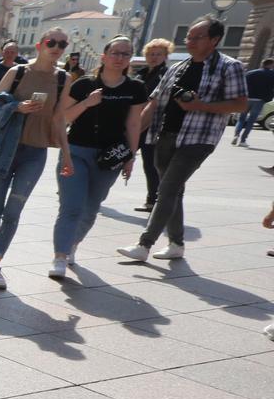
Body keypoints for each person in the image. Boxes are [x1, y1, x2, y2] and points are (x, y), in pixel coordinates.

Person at [116, 17, 247, 263]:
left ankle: (144, 245)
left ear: (214, 40)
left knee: (166, 189)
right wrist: (131, 142)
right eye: (188, 36)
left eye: (197, 37)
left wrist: (200, 105)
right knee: (174, 191)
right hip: (165, 135)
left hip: (198, 138)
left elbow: (240, 104)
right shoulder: (177, 68)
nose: (190, 41)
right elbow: (153, 105)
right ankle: (176, 243)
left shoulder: (229, 67)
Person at [0, 28, 74, 289]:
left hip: (36, 151)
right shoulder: (17, 72)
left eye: (62, 44)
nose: (56, 47)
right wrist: (16, 107)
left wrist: (66, 154)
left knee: (14, 211)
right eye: (51, 42)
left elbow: (59, 118)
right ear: (40, 44)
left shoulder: (64, 79)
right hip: (3, 149)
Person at [49, 36, 146, 278]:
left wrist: (131, 157)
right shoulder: (84, 84)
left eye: (125, 54)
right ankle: (60, 256)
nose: (119, 58)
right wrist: (87, 103)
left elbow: (134, 123)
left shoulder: (135, 88)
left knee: (91, 209)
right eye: (115, 52)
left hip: (110, 156)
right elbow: (62, 118)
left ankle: (72, 246)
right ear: (104, 56)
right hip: (76, 151)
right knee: (71, 207)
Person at [132, 38, 172, 211]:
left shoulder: (166, 74)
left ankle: (153, 200)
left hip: (153, 126)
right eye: (150, 54)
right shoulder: (141, 73)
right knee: (120, 156)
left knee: (150, 164)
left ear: (165, 56)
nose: (154, 57)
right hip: (135, 121)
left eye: (158, 54)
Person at [232, 56, 274, 146]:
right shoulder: (272, 74)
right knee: (251, 121)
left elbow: (242, 85)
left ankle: (236, 135)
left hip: (246, 99)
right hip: (259, 100)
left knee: (241, 118)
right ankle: (243, 140)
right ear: (270, 65)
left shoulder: (250, 73)